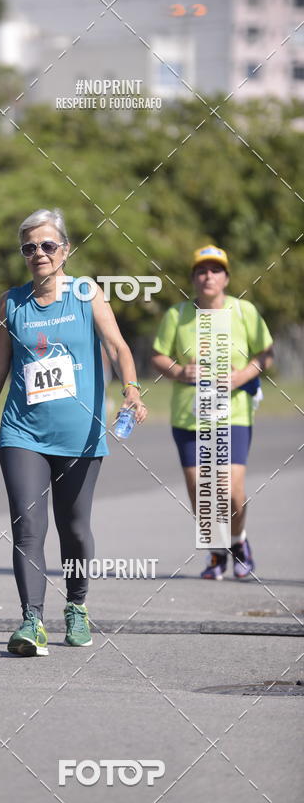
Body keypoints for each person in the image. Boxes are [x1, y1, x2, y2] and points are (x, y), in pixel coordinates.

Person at [0, 208, 147, 656]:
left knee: (74, 529)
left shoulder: (86, 293)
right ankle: (31, 622)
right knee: (28, 526)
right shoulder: (11, 303)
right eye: (29, 247)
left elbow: (119, 346)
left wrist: (131, 389)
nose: (39, 254)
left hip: (80, 437)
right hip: (22, 433)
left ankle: (77, 607)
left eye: (48, 245)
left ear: (65, 250)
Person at [151, 245, 273, 580]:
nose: (208, 276)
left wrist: (241, 377)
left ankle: (238, 541)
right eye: (201, 271)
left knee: (232, 490)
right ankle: (217, 551)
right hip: (190, 416)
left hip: (232, 414)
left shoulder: (244, 311)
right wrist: (179, 372)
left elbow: (266, 354)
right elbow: (158, 356)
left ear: (226, 277)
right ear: (193, 278)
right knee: (200, 489)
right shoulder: (177, 315)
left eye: (215, 270)